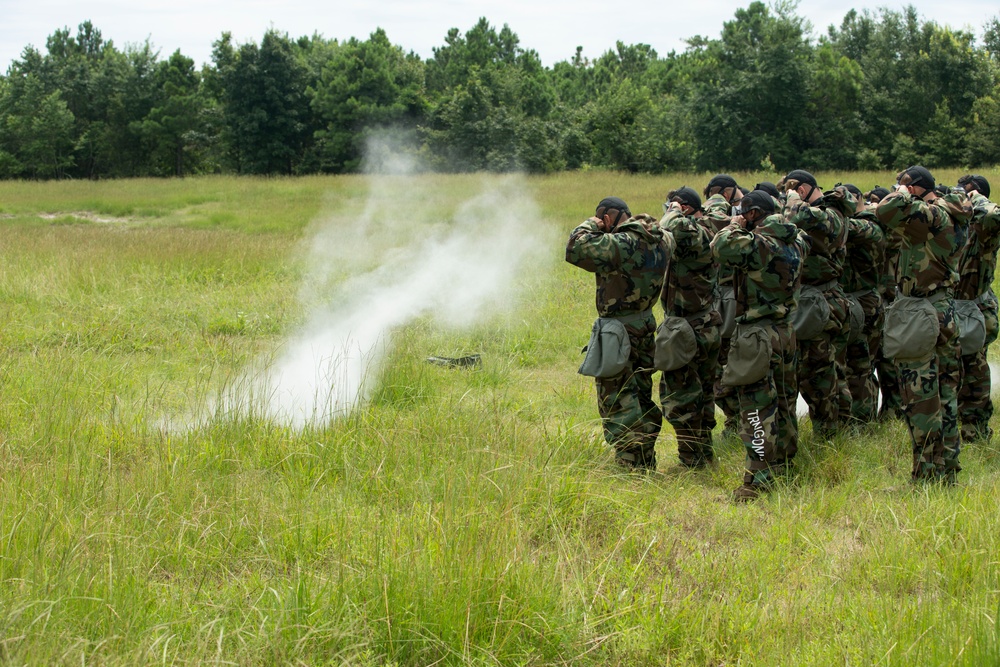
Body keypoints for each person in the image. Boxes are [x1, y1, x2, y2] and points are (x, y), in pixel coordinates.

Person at [711, 190, 809, 501]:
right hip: (785, 330)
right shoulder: (797, 240)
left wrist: (735, 224)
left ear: (753, 213)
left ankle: (757, 480)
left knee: (755, 408)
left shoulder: (757, 244)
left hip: (757, 334)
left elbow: (720, 246)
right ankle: (784, 467)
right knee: (783, 402)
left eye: (744, 212)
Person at [875, 166, 969, 483]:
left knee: (920, 399)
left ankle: (928, 475)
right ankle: (948, 471)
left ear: (915, 188)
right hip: (944, 309)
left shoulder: (930, 217)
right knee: (946, 394)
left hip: (923, 311)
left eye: (905, 185)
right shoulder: (952, 215)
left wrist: (901, 192)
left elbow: (885, 211)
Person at [566, 197, 671, 470]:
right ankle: (646, 459)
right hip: (646, 324)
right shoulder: (660, 239)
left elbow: (575, 246)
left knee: (616, 397)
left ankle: (630, 464)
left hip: (617, 332)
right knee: (640, 393)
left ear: (609, 219)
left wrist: (592, 223)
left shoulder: (622, 243)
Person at [779, 170, 850, 439]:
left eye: (794, 190)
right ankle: (833, 428)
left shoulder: (831, 213)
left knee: (819, 374)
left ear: (806, 188)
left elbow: (798, 216)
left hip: (821, 302)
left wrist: (794, 200)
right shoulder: (813, 210)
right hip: (810, 300)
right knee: (818, 370)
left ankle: (829, 433)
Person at [657, 186, 721, 468]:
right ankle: (703, 454)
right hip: (706, 322)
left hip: (686, 328)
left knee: (680, 396)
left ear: (683, 208)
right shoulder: (708, 228)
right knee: (703, 392)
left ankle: (692, 459)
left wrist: (672, 210)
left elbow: (665, 229)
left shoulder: (692, 232)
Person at [955, 174, 1000, 443]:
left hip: (975, 307)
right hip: (950, 306)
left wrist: (977, 198)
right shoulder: (954, 222)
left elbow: (995, 215)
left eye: (967, 193)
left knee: (974, 368)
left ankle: (975, 430)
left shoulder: (985, 229)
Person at [838, 183, 886, 424]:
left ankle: (862, 421)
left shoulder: (868, 224)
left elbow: (842, 228)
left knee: (860, 367)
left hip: (864, 302)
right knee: (856, 366)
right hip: (858, 301)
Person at [701, 174, 744, 436]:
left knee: (726, 364)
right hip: (724, 300)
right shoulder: (722, 216)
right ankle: (735, 418)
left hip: (730, 302)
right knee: (723, 364)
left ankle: (737, 419)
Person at [867, 185, 903, 419]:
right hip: (877, 297)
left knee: (889, 358)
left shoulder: (893, 231)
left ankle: (893, 409)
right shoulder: (872, 230)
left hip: (889, 299)